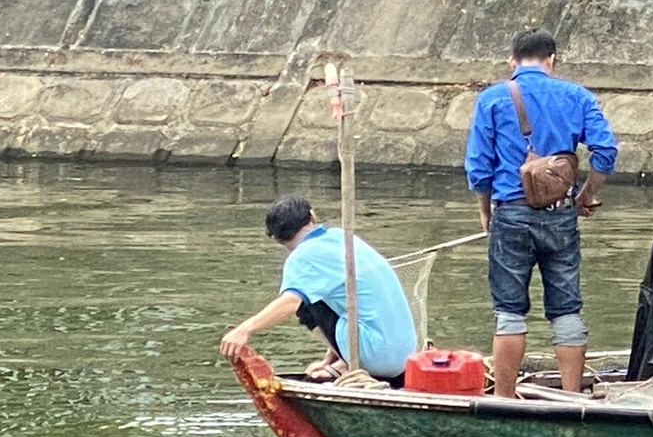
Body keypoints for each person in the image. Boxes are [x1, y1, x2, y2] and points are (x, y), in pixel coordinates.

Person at [464, 27, 618, 397]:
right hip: (561, 214)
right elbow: (606, 152)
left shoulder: (492, 99)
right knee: (566, 309)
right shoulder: (577, 96)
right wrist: (585, 195)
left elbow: (479, 169)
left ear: (512, 61)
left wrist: (487, 212)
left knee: (509, 310)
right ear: (552, 60)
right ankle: (570, 397)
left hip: (510, 213)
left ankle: (503, 398)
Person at [218, 194, 418, 382]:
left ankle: (347, 362)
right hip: (405, 354)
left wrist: (244, 329)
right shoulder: (342, 236)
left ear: (276, 239)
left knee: (304, 304)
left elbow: (290, 302)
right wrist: (329, 358)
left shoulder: (303, 257)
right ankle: (341, 360)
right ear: (312, 216)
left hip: (377, 357)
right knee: (320, 296)